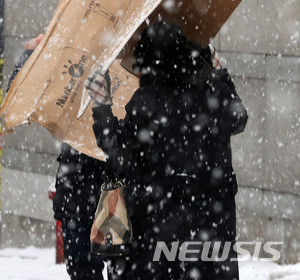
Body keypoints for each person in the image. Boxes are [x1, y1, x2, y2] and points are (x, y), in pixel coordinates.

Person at [87, 22, 248, 280]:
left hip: (156, 237)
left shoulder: (147, 103)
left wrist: (102, 105)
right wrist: (220, 72)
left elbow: (116, 154)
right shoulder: (212, 95)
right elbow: (239, 119)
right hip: (211, 229)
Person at [8, 33, 106, 280]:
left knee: (99, 268)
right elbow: (18, 92)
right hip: (85, 186)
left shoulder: (127, 55)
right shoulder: (68, 52)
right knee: (86, 268)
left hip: (97, 186)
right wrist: (32, 55)